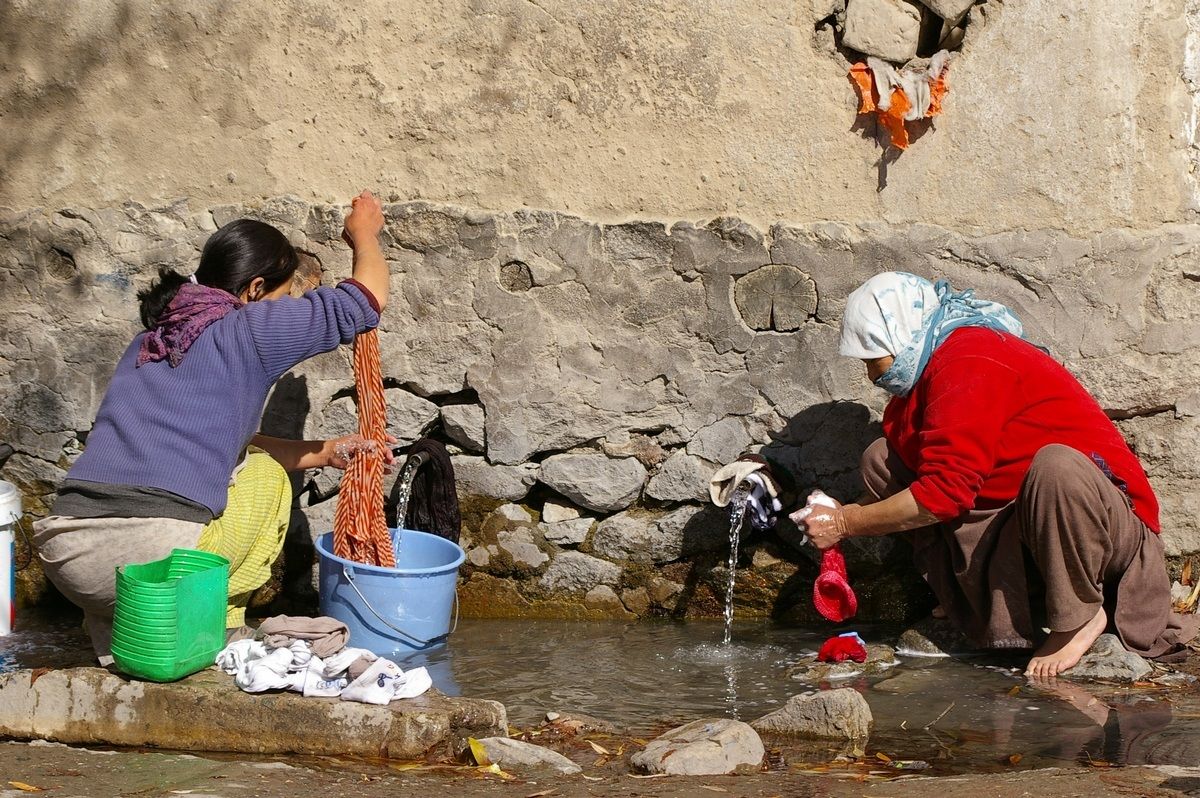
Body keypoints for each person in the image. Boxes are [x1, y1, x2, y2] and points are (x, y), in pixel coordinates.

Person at [33, 190, 392, 663]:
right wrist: (365, 233)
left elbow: (230, 445)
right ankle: (219, 631)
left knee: (250, 467)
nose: (282, 308)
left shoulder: (152, 340)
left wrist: (327, 451)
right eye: (284, 297)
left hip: (67, 553)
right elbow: (365, 300)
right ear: (255, 290)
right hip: (154, 557)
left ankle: (130, 646)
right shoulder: (248, 330)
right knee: (264, 479)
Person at [793, 272, 1198, 679]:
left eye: (871, 358)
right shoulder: (925, 380)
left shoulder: (969, 358)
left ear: (899, 334)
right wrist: (844, 513)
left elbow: (943, 494)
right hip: (1019, 520)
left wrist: (845, 523)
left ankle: (1080, 614)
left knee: (1056, 467)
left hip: (1105, 526)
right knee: (883, 459)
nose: (871, 375)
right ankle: (964, 600)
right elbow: (939, 478)